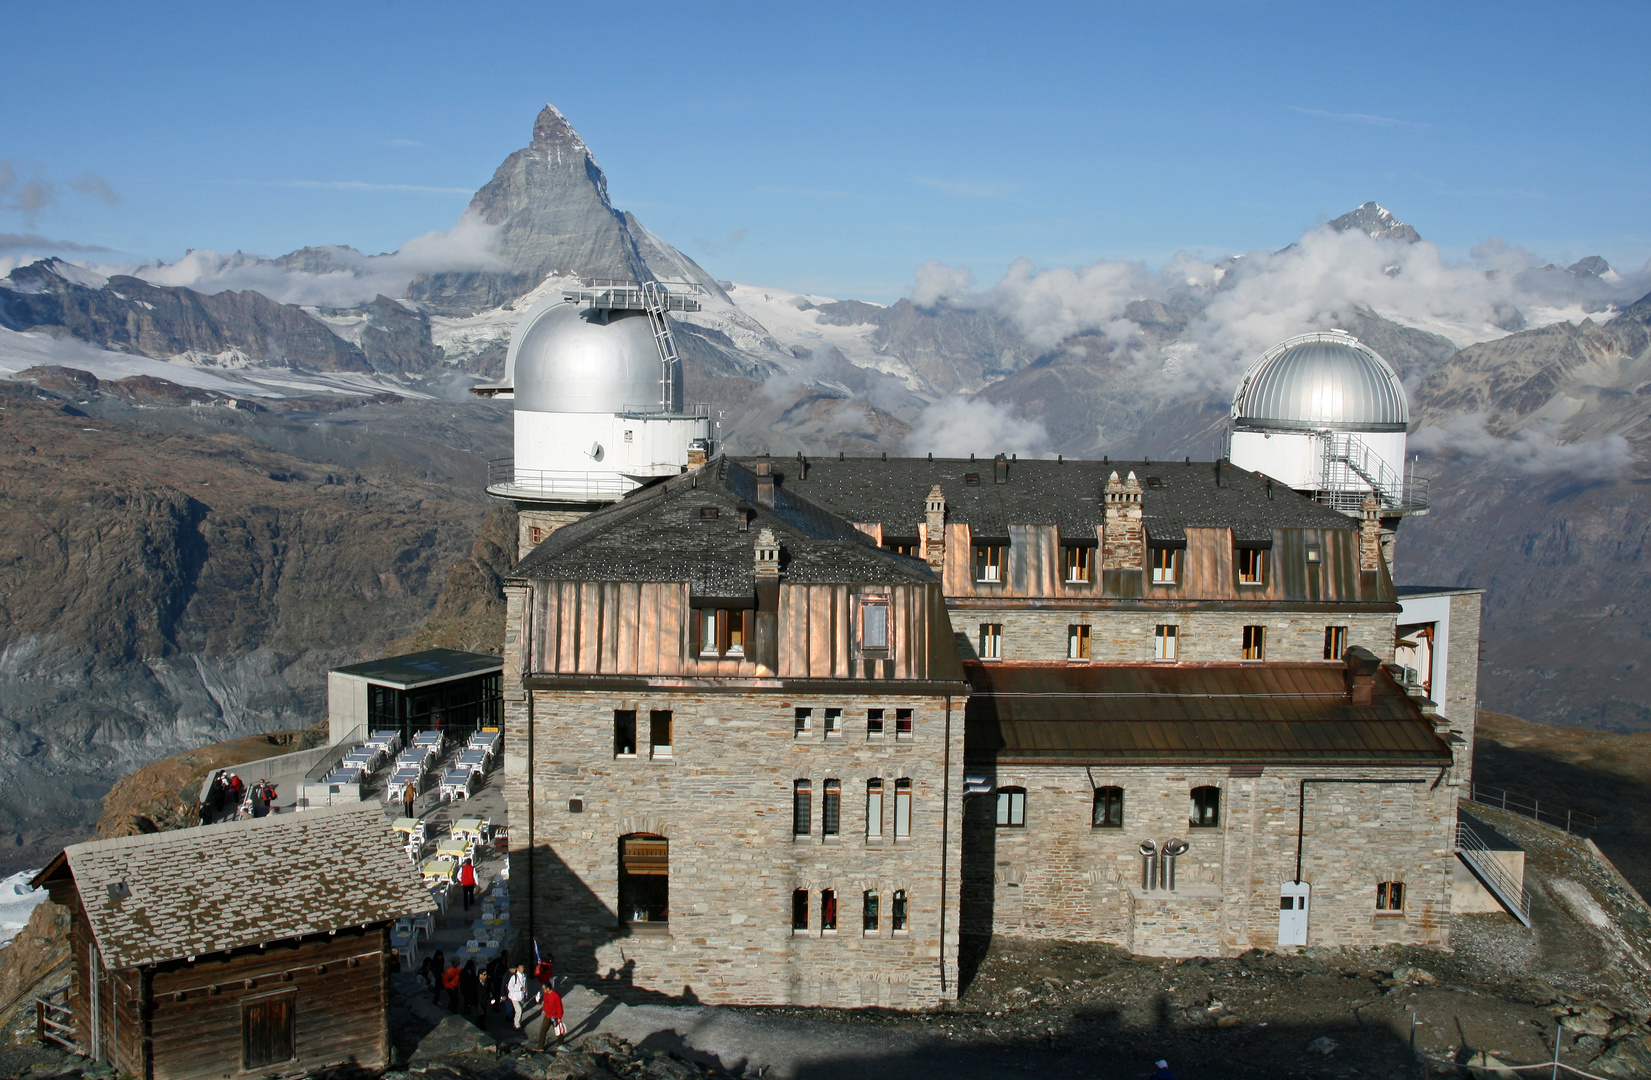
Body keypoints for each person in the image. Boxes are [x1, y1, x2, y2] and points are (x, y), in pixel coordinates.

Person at [534, 984, 566, 1049]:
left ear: (548, 988)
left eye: (544, 989)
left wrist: (559, 1017)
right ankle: (540, 1046)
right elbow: (545, 1003)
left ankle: (561, 1043)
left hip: (555, 1016)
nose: (543, 990)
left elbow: (559, 1007)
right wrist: (543, 1009)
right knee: (543, 1030)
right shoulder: (546, 994)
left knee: (558, 1031)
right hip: (548, 1015)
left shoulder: (556, 996)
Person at [484, 950, 509, 1015]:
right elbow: (491, 968)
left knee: (499, 992)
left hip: (501, 979)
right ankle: (495, 1006)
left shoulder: (505, 962)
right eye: (506, 955)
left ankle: (496, 1003)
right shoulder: (498, 962)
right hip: (495, 979)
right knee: (496, 992)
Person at [507, 964, 529, 1030]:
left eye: (523, 967)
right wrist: (519, 989)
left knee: (520, 1010)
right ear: (518, 969)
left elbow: (526, 985)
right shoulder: (514, 977)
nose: (523, 969)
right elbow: (510, 987)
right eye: (521, 968)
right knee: (519, 1010)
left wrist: (526, 993)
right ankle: (516, 1024)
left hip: (521, 996)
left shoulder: (524, 976)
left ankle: (518, 1022)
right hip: (514, 997)